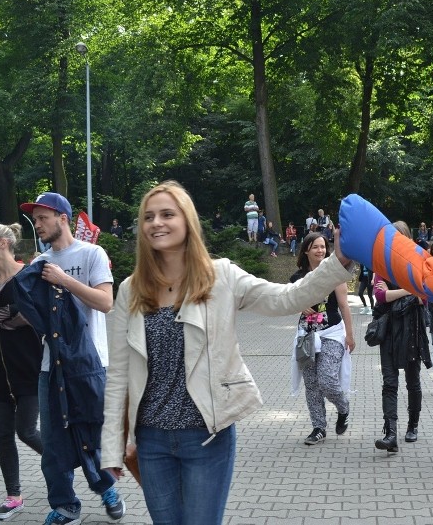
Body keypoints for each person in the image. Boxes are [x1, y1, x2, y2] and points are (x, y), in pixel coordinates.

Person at [101, 181, 354, 525]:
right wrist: (113, 445)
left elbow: (287, 297)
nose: (156, 222)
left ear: (187, 221)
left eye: (166, 214)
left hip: (206, 437)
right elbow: (117, 374)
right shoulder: (130, 289)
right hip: (152, 442)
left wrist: (338, 260)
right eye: (148, 216)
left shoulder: (220, 276)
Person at [18, 192, 125, 525]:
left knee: (90, 435)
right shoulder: (39, 263)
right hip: (51, 367)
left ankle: (107, 487)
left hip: (90, 365)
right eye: (34, 220)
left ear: (62, 218)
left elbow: (106, 302)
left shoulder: (92, 253)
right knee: (52, 444)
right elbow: (34, 317)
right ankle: (65, 505)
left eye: (42, 218)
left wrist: (63, 280)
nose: (37, 225)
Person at [0, 223, 44, 519]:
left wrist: (12, 314)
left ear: (3, 243)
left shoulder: (31, 276)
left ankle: (71, 462)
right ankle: (14, 496)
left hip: (29, 369)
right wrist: (13, 313)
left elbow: (39, 317)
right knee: (3, 435)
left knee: (26, 430)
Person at [290, 233, 355, 446]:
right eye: (315, 247)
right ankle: (318, 427)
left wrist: (350, 335)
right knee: (311, 384)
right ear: (306, 250)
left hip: (333, 332)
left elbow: (344, 305)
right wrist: (300, 305)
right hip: (307, 335)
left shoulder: (334, 273)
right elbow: (288, 301)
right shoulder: (297, 278)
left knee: (326, 379)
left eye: (323, 247)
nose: (320, 250)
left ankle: (342, 406)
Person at [372, 221, 431, 452]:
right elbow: (380, 295)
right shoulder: (381, 265)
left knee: (412, 382)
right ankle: (391, 434)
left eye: (399, 237)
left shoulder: (416, 263)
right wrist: (408, 291)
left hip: (411, 330)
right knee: (389, 382)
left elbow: (425, 296)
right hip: (388, 330)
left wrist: (409, 293)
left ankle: (412, 425)